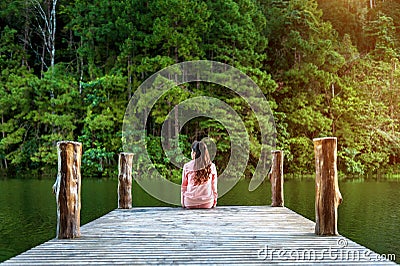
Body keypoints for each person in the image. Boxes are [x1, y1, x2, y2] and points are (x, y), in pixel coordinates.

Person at [181, 141, 218, 209]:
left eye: (192, 151)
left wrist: (183, 203)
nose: (191, 153)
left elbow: (184, 186)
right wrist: (214, 202)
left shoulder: (186, 166)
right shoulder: (212, 166)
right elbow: (214, 187)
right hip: (207, 203)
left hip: (189, 203)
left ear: (194, 153)